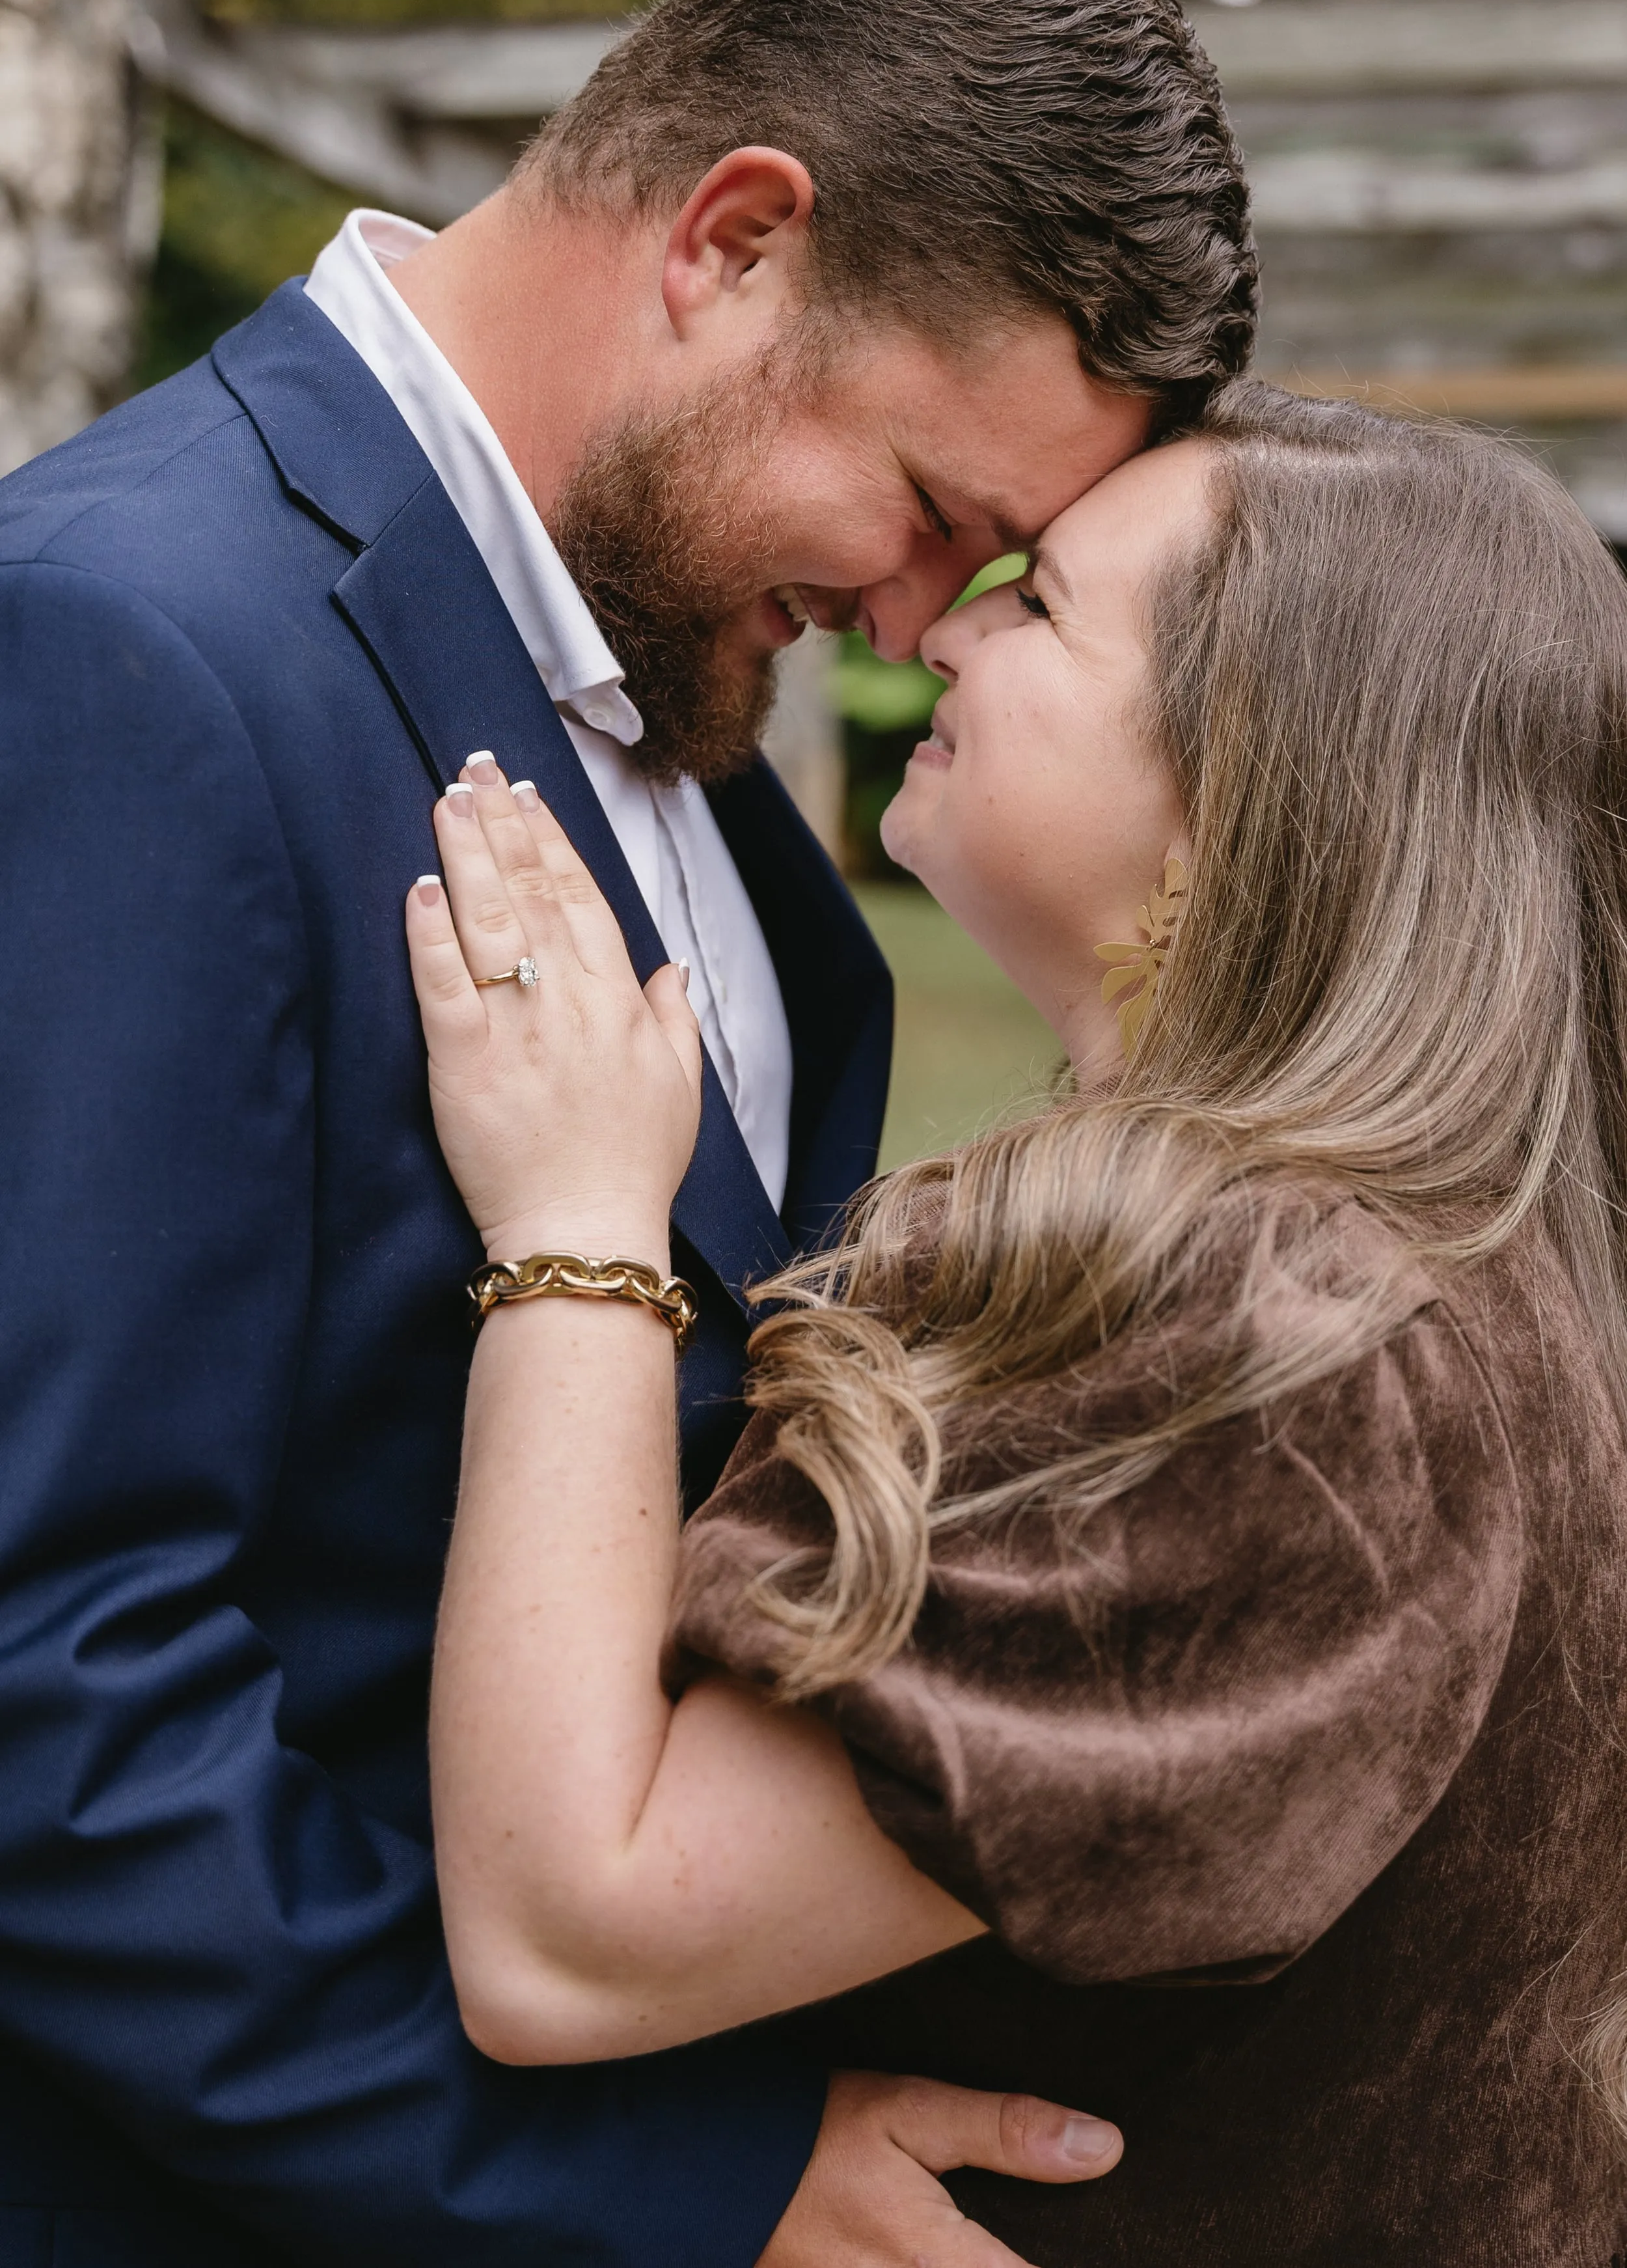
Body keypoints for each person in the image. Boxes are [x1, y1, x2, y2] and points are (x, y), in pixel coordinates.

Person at [0, 0, 1255, 2268]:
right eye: (931, 512)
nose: (916, 624)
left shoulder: (666, 694)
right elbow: (47, 1678)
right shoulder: (122, 650)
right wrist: (675, 2184)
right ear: (732, 241)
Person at [403, 383, 1627, 2265]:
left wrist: (575, 1223)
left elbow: (570, 1928)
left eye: (1040, 602)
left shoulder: (1303, 1347)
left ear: (1240, 800)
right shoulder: (1417, 1276)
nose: (939, 632)